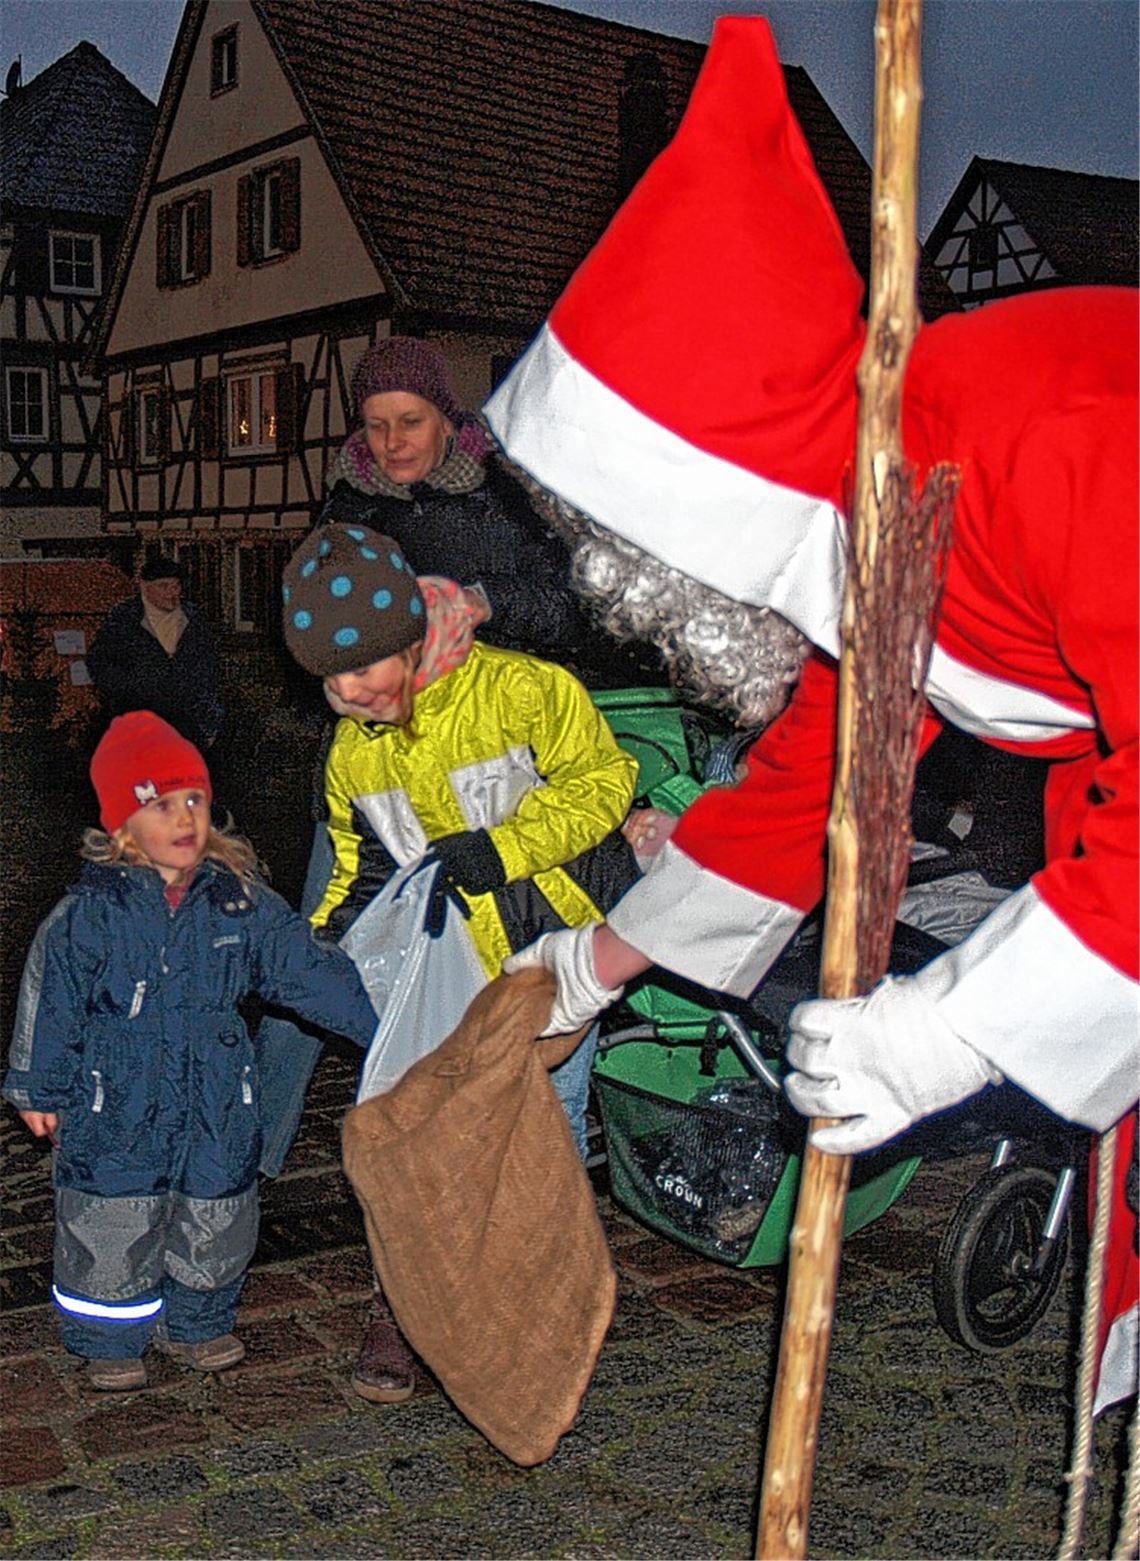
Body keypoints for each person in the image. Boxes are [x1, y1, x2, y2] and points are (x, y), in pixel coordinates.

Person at [487, 19, 1138, 1414]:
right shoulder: (871, 534)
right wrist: (593, 964)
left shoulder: (1049, 437)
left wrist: (957, 1027)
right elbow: (810, 784)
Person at [280, 521, 639, 1403]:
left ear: (409, 636)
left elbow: (603, 782)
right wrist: (323, 943)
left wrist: (505, 848)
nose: (347, 691)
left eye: (361, 666)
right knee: (413, 1140)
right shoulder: (353, 753)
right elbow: (357, 866)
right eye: (328, 677)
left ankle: (533, 1316)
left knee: (538, 1138)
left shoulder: (524, 690)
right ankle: (404, 1309)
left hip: (546, 965)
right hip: (438, 981)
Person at [3, 711, 379, 1391]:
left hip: (217, 1090)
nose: (184, 819)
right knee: (110, 1214)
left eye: (195, 801)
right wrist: (38, 1087)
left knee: (218, 1206)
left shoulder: (239, 903)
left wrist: (385, 1026)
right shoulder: (91, 913)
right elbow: (49, 998)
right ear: (122, 824)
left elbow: (304, 968)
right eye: (161, 804)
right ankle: (110, 1334)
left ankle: (199, 1319)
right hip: (116, 1097)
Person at [86, 556, 226, 755]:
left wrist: (209, 721)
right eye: (163, 586)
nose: (171, 593)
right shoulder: (124, 619)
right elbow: (99, 662)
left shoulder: (194, 617)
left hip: (187, 721)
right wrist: (130, 690)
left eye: (176, 586)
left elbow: (209, 667)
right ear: (145, 587)